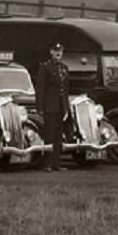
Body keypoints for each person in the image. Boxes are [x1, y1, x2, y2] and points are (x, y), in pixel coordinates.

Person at [35, 42, 69, 172]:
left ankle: (56, 163)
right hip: (49, 107)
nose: (58, 53)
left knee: (58, 136)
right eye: (55, 51)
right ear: (51, 52)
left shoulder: (64, 68)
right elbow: (40, 89)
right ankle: (47, 163)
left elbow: (65, 90)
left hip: (60, 108)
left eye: (60, 51)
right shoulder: (45, 68)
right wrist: (40, 108)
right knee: (49, 135)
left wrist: (66, 108)